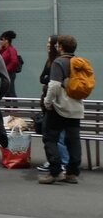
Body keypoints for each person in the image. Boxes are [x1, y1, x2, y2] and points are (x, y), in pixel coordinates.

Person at [39, 34, 84, 184]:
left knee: (49, 137)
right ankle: (72, 173)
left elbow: (54, 86)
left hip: (60, 108)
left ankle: (55, 171)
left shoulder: (59, 62)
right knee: (73, 140)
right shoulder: (79, 62)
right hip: (76, 108)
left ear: (61, 47)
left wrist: (47, 102)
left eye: (57, 45)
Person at [36, 35, 69, 172]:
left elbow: (53, 82)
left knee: (57, 135)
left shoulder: (58, 61)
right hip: (49, 101)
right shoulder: (50, 60)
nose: (47, 45)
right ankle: (54, 160)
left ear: (57, 45)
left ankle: (62, 162)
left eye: (49, 42)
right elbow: (42, 78)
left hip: (56, 102)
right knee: (51, 135)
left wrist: (49, 80)